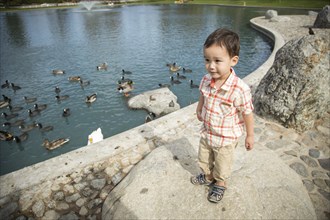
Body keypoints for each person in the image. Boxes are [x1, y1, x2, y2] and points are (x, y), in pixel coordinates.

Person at [191, 28, 254, 203]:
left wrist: (250, 135)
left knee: (222, 163)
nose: (211, 66)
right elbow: (203, 94)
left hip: (226, 137)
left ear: (233, 60)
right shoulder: (205, 79)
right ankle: (208, 175)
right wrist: (199, 107)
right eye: (207, 60)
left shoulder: (239, 89)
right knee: (204, 157)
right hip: (208, 131)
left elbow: (247, 112)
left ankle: (221, 182)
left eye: (217, 60)